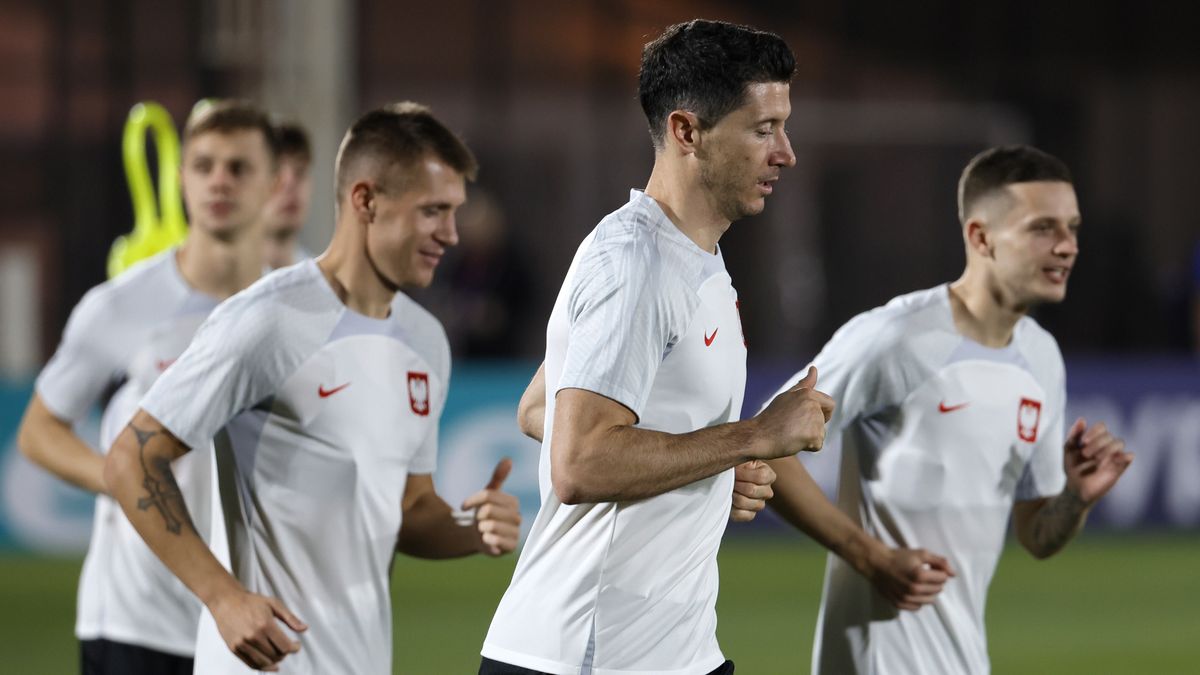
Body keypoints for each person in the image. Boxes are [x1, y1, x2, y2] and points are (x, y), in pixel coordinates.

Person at [103, 101, 522, 674]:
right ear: (365, 200)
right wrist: (223, 599)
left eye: (453, 212)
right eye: (433, 211)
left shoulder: (425, 342)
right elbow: (132, 459)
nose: (451, 234)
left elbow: (409, 508)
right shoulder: (266, 318)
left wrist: (470, 529)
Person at [480, 20, 833, 675]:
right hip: (586, 654)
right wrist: (750, 438)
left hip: (673, 651)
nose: (786, 152)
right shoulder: (635, 265)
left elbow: (540, 408)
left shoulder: (697, 259)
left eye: (783, 127)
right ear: (686, 131)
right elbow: (578, 459)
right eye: (763, 129)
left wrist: (702, 469)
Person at [763, 145, 1133, 674]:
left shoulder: (1042, 359)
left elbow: (1037, 536)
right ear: (980, 237)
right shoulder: (897, 337)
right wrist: (871, 558)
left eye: (1072, 228)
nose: (1068, 247)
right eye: (1043, 228)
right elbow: (763, 446)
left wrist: (1075, 497)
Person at [16, 99, 280, 674]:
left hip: (249, 617)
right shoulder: (122, 305)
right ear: (180, 177)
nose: (219, 181)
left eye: (239, 167)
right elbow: (39, 430)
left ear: (274, 182)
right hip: (137, 619)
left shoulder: (290, 308)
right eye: (204, 165)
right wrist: (123, 480)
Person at [261, 121, 314, 268]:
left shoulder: (325, 283)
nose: (290, 185)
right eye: (275, 172)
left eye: (300, 171)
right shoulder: (224, 285)